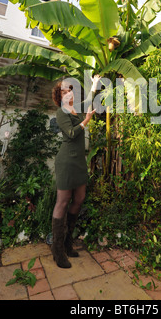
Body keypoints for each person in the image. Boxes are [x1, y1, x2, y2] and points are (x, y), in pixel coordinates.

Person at [50, 75, 100, 268]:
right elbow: (71, 134)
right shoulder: (61, 112)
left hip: (79, 161)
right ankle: (57, 250)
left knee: (79, 199)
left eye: (70, 90)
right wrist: (85, 122)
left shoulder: (75, 108)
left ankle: (67, 242)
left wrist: (94, 86)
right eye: (64, 91)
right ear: (59, 95)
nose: (68, 93)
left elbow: (88, 101)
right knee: (62, 202)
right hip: (66, 162)